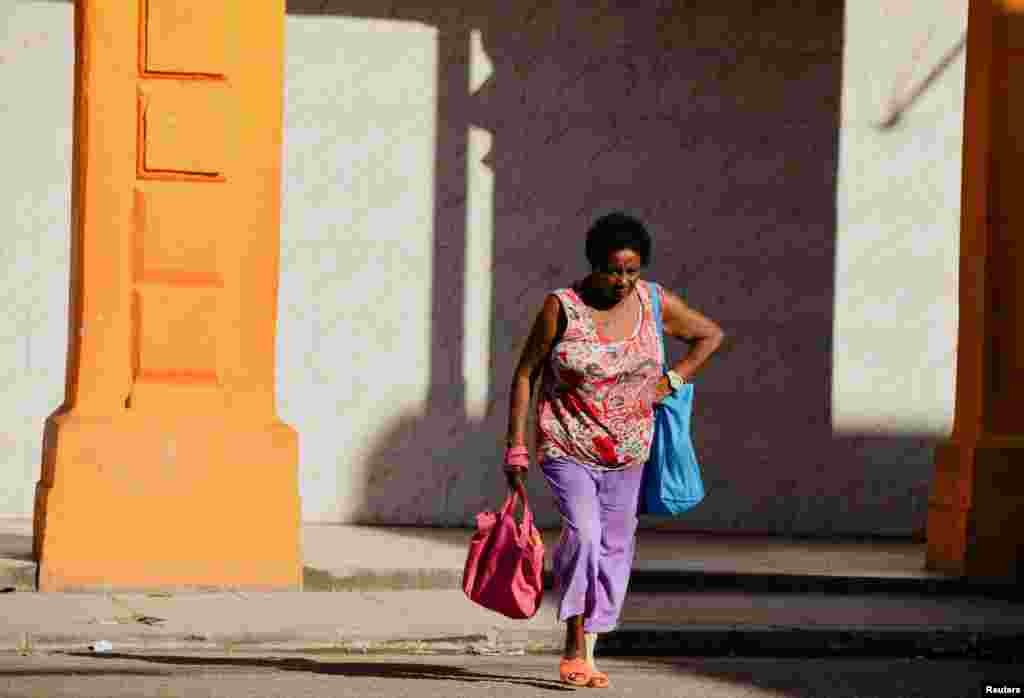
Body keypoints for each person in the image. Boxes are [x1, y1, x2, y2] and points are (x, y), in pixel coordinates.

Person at [503, 212, 725, 688]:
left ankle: (589, 652)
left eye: (632, 270)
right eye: (613, 270)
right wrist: (516, 446)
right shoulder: (562, 307)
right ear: (593, 265)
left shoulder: (654, 301)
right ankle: (571, 641)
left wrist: (672, 379)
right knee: (584, 535)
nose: (623, 281)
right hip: (567, 443)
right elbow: (526, 373)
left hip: (630, 451)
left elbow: (710, 335)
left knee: (614, 549)